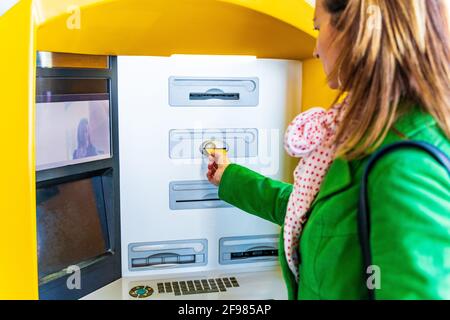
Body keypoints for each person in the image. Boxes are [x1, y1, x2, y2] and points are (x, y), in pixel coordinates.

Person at [206, 0, 450, 300]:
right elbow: (315, 214)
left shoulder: (404, 160)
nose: (315, 49)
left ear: (358, 29)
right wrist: (229, 176)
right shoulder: (368, 130)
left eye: (318, 27)